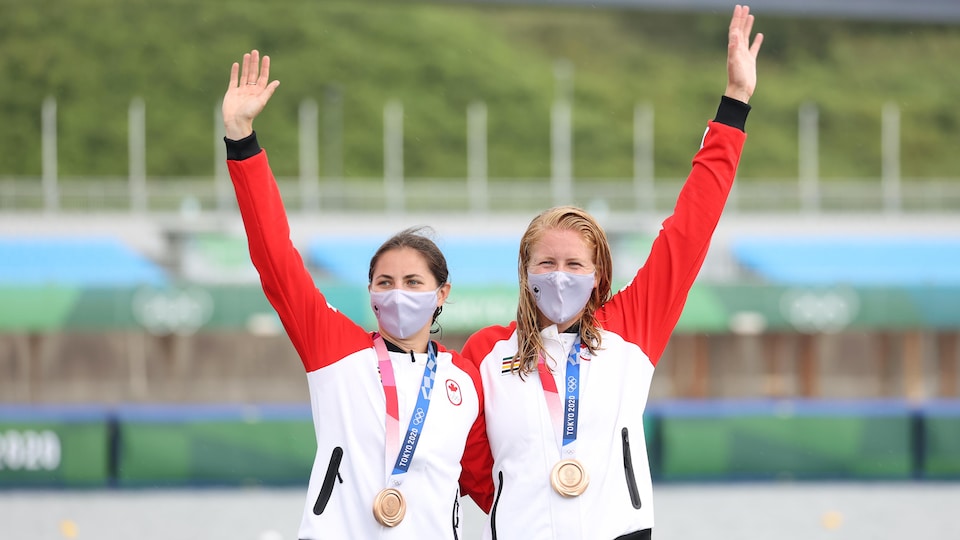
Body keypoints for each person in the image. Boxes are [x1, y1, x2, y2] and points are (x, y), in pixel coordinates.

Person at [459, 5, 763, 539]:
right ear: (524, 273)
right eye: (546, 264)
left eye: (574, 264)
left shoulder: (631, 329)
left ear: (599, 276)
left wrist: (734, 103)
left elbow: (689, 230)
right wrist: (523, 495)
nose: (559, 277)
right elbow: (470, 461)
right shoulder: (486, 353)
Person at [221, 50, 488, 539]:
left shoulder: (465, 381)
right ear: (370, 293)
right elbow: (274, 256)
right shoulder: (333, 349)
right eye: (385, 283)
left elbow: (495, 486)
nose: (398, 294)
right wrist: (241, 140)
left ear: (441, 293)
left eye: (413, 283)